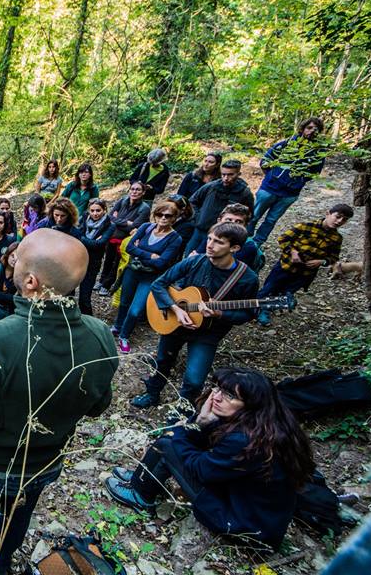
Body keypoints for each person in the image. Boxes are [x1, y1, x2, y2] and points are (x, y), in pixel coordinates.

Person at [0, 229, 118, 575]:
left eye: (18, 257)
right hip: (44, 464)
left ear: (30, 281)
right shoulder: (100, 336)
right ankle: (0, 562)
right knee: (17, 516)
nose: (11, 258)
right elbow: (96, 404)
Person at [105, 368, 315, 553]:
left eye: (229, 395)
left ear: (252, 405)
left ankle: (140, 495)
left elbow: (200, 469)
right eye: (217, 388)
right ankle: (138, 480)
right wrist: (200, 423)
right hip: (250, 512)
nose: (216, 397)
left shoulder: (246, 439)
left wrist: (187, 428)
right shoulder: (265, 425)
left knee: (170, 442)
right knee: (178, 440)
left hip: (244, 526)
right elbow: (205, 449)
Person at [131, 223, 259, 409]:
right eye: (209, 238)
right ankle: (152, 394)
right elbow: (159, 284)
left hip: (207, 333)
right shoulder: (195, 261)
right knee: (162, 361)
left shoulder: (247, 278)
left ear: (235, 248)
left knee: (195, 379)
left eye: (218, 242)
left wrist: (220, 313)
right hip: (175, 324)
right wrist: (176, 309)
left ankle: (183, 409)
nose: (210, 245)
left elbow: (247, 314)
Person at [256, 203, 352, 326]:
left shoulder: (337, 238)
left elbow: (333, 257)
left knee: (287, 291)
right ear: (328, 213)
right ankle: (256, 307)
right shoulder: (305, 226)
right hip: (285, 267)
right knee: (270, 288)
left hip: (305, 273)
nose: (339, 221)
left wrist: (322, 261)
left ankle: (268, 308)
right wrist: (292, 252)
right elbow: (283, 239)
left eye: (344, 220)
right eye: (337, 216)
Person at [111, 201, 184, 353]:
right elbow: (130, 247)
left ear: (174, 218)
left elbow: (162, 263)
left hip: (150, 277)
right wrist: (150, 255)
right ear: (155, 215)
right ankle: (117, 327)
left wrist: (140, 252)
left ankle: (124, 336)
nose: (163, 218)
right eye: (160, 214)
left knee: (135, 309)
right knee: (124, 302)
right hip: (132, 270)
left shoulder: (175, 238)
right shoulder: (146, 227)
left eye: (168, 215)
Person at [250, 117, 327, 246]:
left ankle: (256, 244)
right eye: (309, 128)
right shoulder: (286, 144)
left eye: (316, 129)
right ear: (302, 128)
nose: (312, 131)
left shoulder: (317, 152)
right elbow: (265, 160)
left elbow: (314, 173)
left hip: (290, 193)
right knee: (254, 215)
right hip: (269, 188)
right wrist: (273, 176)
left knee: (271, 220)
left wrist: (299, 181)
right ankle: (243, 239)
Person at [184, 159, 254, 256]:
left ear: (238, 174)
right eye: (223, 174)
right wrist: (198, 217)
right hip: (201, 230)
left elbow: (249, 215)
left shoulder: (244, 193)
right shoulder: (211, 186)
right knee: (189, 256)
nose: (226, 178)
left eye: (230, 175)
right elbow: (192, 201)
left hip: (223, 236)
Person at [97, 182, 151, 292]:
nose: (134, 191)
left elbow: (135, 226)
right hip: (112, 235)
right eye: (132, 189)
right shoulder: (123, 200)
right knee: (108, 260)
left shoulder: (144, 208)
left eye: (138, 190)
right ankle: (101, 281)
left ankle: (106, 285)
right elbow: (110, 217)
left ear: (143, 192)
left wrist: (119, 222)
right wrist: (127, 222)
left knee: (117, 263)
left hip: (125, 240)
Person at [199, 203, 264, 270]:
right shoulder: (213, 235)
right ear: (219, 221)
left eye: (238, 222)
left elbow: (226, 269)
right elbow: (197, 255)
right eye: (228, 220)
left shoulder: (248, 246)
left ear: (245, 226)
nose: (232, 224)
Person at [77, 199, 113, 316]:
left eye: (98, 210)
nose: (95, 213)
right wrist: (90, 241)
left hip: (92, 263)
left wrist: (82, 238)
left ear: (104, 210)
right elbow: (76, 233)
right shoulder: (84, 218)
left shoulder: (110, 225)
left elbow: (99, 244)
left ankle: (88, 320)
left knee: (84, 297)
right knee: (69, 292)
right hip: (77, 258)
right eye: (92, 210)